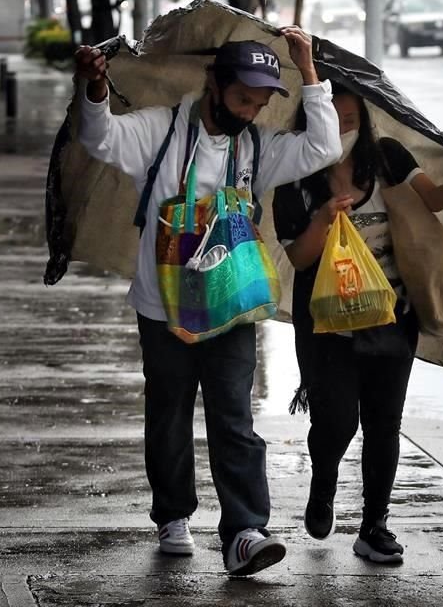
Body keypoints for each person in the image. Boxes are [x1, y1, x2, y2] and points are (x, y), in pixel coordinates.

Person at [73, 29, 341, 576]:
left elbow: (324, 147)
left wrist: (309, 72)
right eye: (243, 97)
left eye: (261, 101)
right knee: (169, 413)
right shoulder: (161, 129)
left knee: (234, 417)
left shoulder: (258, 146)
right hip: (162, 308)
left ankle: (245, 530)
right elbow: (99, 138)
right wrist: (95, 89)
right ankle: (172, 515)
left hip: (231, 306)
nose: (251, 109)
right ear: (214, 84)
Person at [272, 84, 443, 564]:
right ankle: (323, 482)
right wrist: (324, 219)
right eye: (332, 121)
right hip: (328, 322)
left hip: (394, 313)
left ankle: (375, 525)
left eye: (351, 120)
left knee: (384, 423)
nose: (343, 129)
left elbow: (432, 199)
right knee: (338, 419)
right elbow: (301, 256)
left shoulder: (386, 157)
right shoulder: (296, 179)